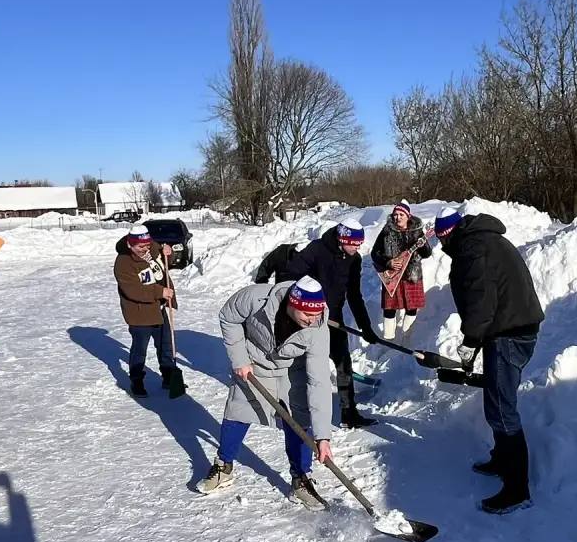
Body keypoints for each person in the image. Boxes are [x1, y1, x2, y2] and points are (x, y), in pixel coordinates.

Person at [433, 206, 544, 514]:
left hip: (510, 333)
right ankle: (501, 459)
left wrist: (470, 342)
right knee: (495, 401)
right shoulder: (480, 240)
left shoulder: (473, 249)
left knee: (502, 409)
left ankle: (517, 490)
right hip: (509, 327)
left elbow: (481, 303)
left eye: (442, 240)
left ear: (447, 235)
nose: (442, 247)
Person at [197, 276, 334, 511]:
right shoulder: (256, 298)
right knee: (238, 410)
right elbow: (228, 317)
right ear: (293, 304)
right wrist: (240, 359)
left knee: (299, 420)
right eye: (307, 315)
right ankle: (223, 467)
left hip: (291, 371)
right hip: (255, 365)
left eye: (316, 315)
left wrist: (323, 436)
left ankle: (301, 479)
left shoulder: (318, 327)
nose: (312, 321)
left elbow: (319, 380)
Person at [281, 218, 379, 428]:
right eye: (354, 243)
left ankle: (349, 413)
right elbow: (289, 276)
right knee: (306, 367)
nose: (357, 247)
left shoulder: (354, 260)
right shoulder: (317, 250)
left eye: (359, 243)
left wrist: (366, 326)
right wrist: (303, 307)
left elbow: (354, 294)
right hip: (308, 320)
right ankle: (299, 411)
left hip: (334, 318)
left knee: (344, 363)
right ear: (342, 238)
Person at [113, 223, 185, 399]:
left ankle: (169, 377)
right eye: (140, 247)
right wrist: (160, 292)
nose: (145, 249)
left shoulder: (152, 247)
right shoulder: (123, 263)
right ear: (130, 244)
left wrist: (169, 252)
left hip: (158, 308)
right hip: (139, 313)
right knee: (140, 350)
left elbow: (163, 264)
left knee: (166, 345)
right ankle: (137, 381)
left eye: (147, 245)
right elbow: (133, 290)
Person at [370, 200, 432, 340]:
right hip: (392, 276)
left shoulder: (417, 231)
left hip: (412, 275)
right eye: (395, 214)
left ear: (408, 216)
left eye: (401, 214)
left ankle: (407, 336)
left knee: (412, 307)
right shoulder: (386, 231)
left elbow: (427, 253)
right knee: (389, 308)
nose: (398, 217)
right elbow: (375, 254)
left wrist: (421, 244)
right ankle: (388, 338)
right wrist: (388, 262)